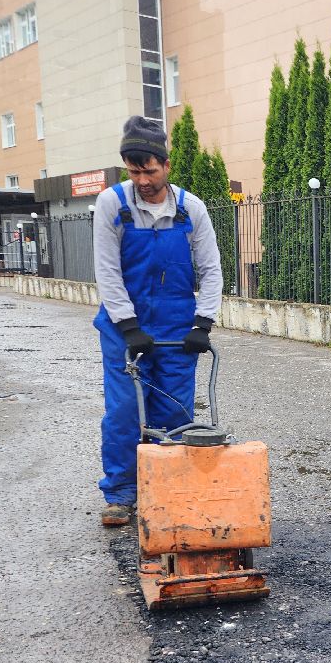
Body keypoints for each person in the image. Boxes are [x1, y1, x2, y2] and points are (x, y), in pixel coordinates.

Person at [92, 116, 223, 527]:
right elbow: (107, 270)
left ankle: (170, 490)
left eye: (149, 171)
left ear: (166, 165)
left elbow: (211, 269)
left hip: (175, 325)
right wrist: (128, 325)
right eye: (134, 172)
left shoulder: (190, 209)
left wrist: (202, 324)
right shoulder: (112, 204)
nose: (142, 181)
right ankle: (121, 494)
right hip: (124, 327)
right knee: (124, 410)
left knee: (175, 410)